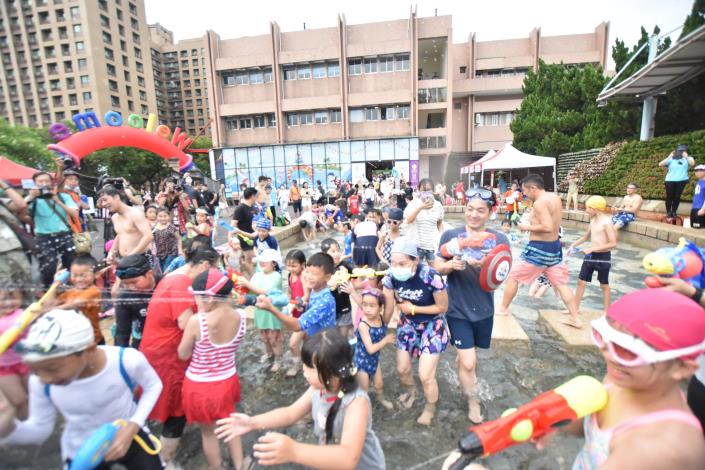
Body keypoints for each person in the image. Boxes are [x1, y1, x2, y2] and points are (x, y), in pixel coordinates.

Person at [445, 289, 705, 470]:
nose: (608, 355)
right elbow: (589, 427)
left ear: (682, 368)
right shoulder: (625, 378)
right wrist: (545, 420)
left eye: (626, 350)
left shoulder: (659, 449)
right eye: (603, 338)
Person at [0, 309, 164, 469]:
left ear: (89, 350)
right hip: (82, 451)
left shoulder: (125, 360)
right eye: (35, 371)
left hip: (133, 435)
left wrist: (133, 425)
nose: (45, 379)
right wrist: (7, 429)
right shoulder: (41, 383)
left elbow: (153, 385)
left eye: (52, 368)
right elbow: (39, 429)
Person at [214, 329, 386, 469]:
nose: (304, 371)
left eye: (310, 368)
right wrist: (253, 422)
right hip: (329, 460)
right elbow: (290, 413)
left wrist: (294, 451)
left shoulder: (356, 403)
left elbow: (348, 459)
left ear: (333, 374)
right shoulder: (318, 389)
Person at [435, 188, 510, 424]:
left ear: (490, 212)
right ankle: (473, 402)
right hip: (456, 307)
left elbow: (502, 274)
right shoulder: (451, 236)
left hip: (484, 308)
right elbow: (436, 265)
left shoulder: (499, 240)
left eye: (480, 210)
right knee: (469, 362)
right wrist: (451, 266)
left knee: (469, 358)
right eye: (470, 209)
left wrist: (485, 266)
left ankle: (463, 369)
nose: (474, 214)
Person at [139, 245, 218, 464]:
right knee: (176, 410)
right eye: (214, 268)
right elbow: (187, 324)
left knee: (162, 400)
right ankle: (165, 460)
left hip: (158, 350)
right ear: (204, 265)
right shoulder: (182, 284)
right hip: (169, 356)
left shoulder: (173, 276)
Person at [177, 269, 246, 470]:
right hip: (228, 381)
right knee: (231, 425)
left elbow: (183, 354)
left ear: (209, 298)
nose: (195, 301)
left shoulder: (197, 321)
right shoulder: (240, 316)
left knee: (208, 433)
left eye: (197, 297)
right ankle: (241, 464)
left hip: (200, 387)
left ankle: (216, 467)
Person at [497, 175, 580, 327]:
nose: (524, 195)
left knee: (513, 277)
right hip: (555, 248)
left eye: (525, 191)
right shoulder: (554, 198)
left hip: (538, 249)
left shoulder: (539, 203)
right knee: (561, 284)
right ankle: (575, 318)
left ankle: (502, 309)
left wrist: (526, 227)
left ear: (533, 188)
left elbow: (547, 227)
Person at [382, 237, 449, 425]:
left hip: (432, 324)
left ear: (415, 261)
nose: (396, 267)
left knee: (426, 375)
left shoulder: (431, 276)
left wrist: (413, 309)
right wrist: (380, 327)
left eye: (402, 263)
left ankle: (430, 407)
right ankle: (412, 392)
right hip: (408, 324)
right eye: (393, 263)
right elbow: (388, 307)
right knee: (403, 369)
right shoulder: (390, 276)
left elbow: (442, 307)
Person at [255, 252, 336, 337]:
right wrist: (303, 307)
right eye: (307, 271)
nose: (308, 276)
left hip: (324, 344)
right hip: (315, 338)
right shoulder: (315, 291)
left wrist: (271, 308)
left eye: (314, 274)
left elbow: (298, 325)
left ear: (327, 277)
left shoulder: (326, 301)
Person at [26, 171, 79, 287]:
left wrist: (58, 201)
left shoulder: (63, 196)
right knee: (48, 268)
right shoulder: (33, 200)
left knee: (71, 265)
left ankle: (71, 290)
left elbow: (75, 214)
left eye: (47, 181)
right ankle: (47, 292)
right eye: (40, 181)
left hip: (64, 235)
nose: (44, 184)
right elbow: (20, 211)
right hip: (43, 238)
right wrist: (30, 197)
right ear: (35, 184)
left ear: (52, 183)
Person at [568, 196, 617, 316]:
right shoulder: (593, 220)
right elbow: (586, 237)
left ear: (594, 208)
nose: (586, 211)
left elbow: (613, 243)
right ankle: (575, 308)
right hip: (591, 256)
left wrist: (591, 249)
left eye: (587, 208)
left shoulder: (607, 222)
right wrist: (573, 245)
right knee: (581, 282)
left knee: (604, 285)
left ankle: (607, 312)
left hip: (603, 257)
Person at [238, 249, 285, 373]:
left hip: (272, 313)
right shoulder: (257, 275)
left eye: (266, 260)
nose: (262, 262)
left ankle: (279, 359)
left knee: (274, 338)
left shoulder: (277, 276)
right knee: (264, 337)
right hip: (260, 311)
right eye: (261, 260)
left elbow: (266, 292)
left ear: (274, 263)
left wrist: (247, 283)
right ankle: (269, 354)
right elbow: (252, 292)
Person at [353, 288, 395, 410]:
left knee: (379, 385)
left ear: (381, 307)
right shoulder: (363, 325)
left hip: (374, 360)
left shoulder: (381, 318)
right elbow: (370, 349)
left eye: (372, 306)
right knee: (363, 389)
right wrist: (385, 340)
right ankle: (361, 409)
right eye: (364, 305)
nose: (367, 309)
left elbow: (390, 307)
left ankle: (380, 398)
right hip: (361, 361)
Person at [48, 256, 104, 346]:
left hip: (93, 340)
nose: (78, 279)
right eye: (74, 275)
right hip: (76, 340)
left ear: (96, 274)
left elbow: (75, 304)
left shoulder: (94, 291)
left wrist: (52, 309)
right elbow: (49, 303)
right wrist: (55, 283)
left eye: (83, 275)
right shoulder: (70, 292)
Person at [99, 185, 154, 265]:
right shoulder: (114, 217)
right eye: (102, 201)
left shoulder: (135, 213)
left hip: (141, 258)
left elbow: (148, 236)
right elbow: (120, 235)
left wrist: (131, 255)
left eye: (105, 200)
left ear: (116, 197)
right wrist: (111, 252)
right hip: (125, 259)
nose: (103, 204)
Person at [0, 279, 30, 420]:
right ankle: (24, 423)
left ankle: (35, 424)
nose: (8, 303)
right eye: (3, 299)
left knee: (31, 394)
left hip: (25, 361)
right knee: (18, 400)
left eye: (12, 297)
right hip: (4, 367)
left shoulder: (22, 314)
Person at [114, 254, 158, 348]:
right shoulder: (125, 297)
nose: (131, 287)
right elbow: (122, 332)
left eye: (134, 282)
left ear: (149, 274)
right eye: (126, 284)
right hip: (142, 343)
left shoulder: (165, 285)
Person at [403, 178, 444, 264]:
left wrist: (441, 236)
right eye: (423, 190)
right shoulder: (413, 204)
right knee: (417, 270)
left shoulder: (438, 206)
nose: (426, 193)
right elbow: (408, 220)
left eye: (428, 190)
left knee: (433, 272)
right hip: (417, 246)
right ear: (419, 190)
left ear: (433, 190)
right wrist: (420, 208)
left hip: (432, 246)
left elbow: (439, 222)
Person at [0, 179, 31, 285]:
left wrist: (3, 185)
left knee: (25, 283)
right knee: (5, 289)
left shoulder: (1, 201)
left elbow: (21, 205)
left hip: (14, 248)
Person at [322, 239, 354, 339]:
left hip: (345, 307)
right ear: (324, 254)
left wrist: (348, 274)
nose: (337, 254)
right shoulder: (323, 269)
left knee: (343, 337)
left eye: (338, 250)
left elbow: (355, 270)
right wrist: (328, 284)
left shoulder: (344, 265)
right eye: (333, 251)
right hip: (330, 310)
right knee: (331, 336)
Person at [284, 250, 309, 377]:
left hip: (304, 315)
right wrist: (288, 303)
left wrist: (296, 304)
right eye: (288, 265)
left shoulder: (304, 275)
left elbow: (306, 295)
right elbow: (290, 291)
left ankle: (296, 365)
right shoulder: (290, 276)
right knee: (307, 341)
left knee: (293, 344)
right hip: (296, 313)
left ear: (303, 264)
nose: (291, 268)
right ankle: (308, 361)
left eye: (294, 265)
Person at [659, 144, 695, 219]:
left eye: (683, 151)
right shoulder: (671, 159)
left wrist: (687, 157)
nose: (681, 152)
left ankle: (674, 211)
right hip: (670, 180)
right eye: (680, 151)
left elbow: (692, 163)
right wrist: (669, 157)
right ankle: (668, 212)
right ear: (676, 151)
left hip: (682, 180)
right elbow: (660, 164)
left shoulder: (687, 158)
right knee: (669, 197)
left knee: (677, 197)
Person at [230, 187, 258, 277]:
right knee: (248, 260)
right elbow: (232, 225)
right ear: (252, 196)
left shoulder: (253, 207)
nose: (257, 198)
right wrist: (230, 240)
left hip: (254, 236)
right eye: (256, 196)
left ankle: (252, 277)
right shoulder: (240, 208)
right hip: (245, 239)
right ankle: (253, 280)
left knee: (253, 259)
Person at [153, 207, 183, 272]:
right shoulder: (155, 228)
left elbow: (179, 238)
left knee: (166, 270)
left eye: (165, 216)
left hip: (171, 252)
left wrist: (180, 250)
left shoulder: (171, 227)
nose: (163, 218)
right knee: (161, 269)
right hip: (160, 253)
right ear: (156, 217)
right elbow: (151, 239)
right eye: (160, 216)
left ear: (168, 216)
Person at [691, 164, 705, 229]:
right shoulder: (699, 182)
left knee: (701, 229)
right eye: (696, 170)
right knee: (694, 228)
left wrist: (703, 209)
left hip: (701, 209)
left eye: (701, 170)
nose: (698, 172)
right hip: (695, 209)